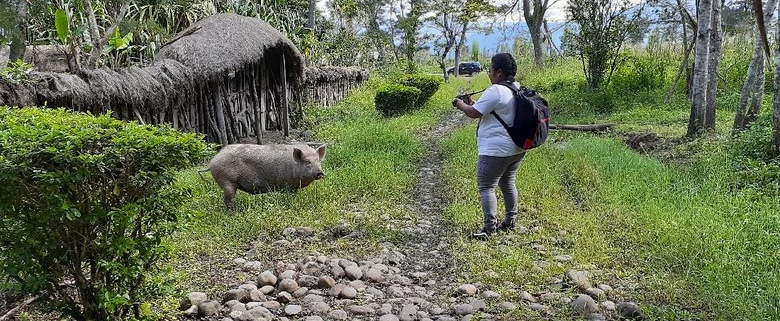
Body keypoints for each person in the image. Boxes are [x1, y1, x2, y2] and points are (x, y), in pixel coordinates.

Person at [451, 52, 525, 240]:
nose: (489, 73)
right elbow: (492, 111)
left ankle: (489, 228)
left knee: (486, 187)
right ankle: (510, 221)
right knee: (508, 183)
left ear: (499, 72)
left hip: (495, 151)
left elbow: (474, 113)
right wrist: (473, 103)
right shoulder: (516, 88)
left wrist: (460, 104)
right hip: (516, 148)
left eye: (490, 69)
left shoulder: (495, 91)